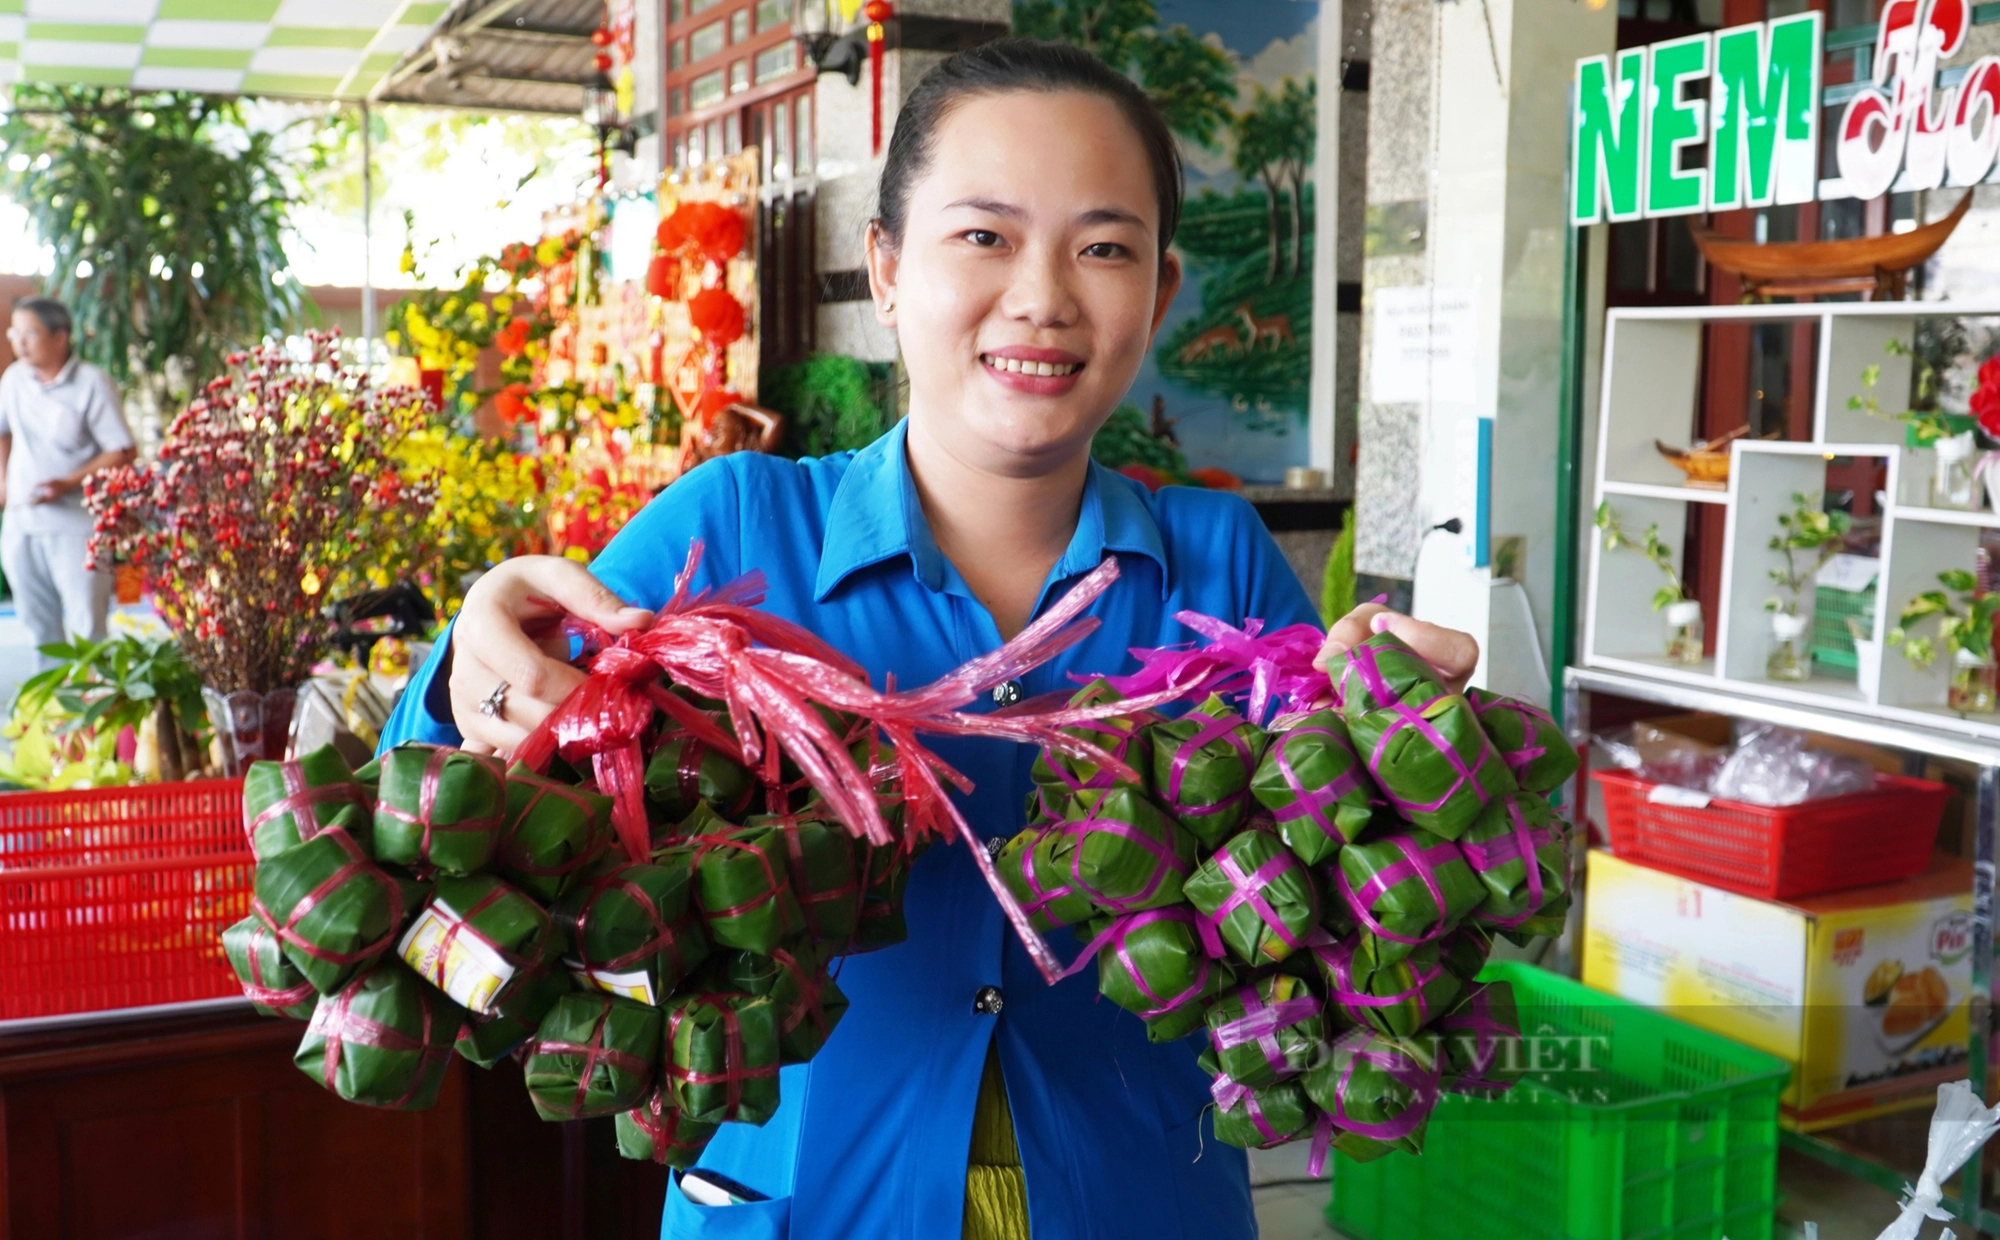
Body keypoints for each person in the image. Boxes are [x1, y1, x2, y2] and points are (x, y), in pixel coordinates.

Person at [379, 39, 1478, 1240]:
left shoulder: (1216, 567)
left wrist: (1393, 753)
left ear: (1159, 294)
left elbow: (1315, 905)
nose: (1044, 295)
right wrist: (474, 669)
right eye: (984, 236)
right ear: (887, 268)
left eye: (1103, 247)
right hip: (807, 1209)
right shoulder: (731, 529)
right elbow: (443, 814)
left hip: (1133, 1202)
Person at [0, 297, 136, 668]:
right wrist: (4, 481)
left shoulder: (92, 383)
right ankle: (53, 715)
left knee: (86, 628)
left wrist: (68, 482)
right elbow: (3, 431)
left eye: (29, 333)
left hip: (77, 527)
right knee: (37, 625)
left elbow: (122, 449)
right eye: (15, 332)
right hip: (21, 523)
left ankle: (96, 716)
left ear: (60, 337)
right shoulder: (13, 379)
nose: (19, 342)